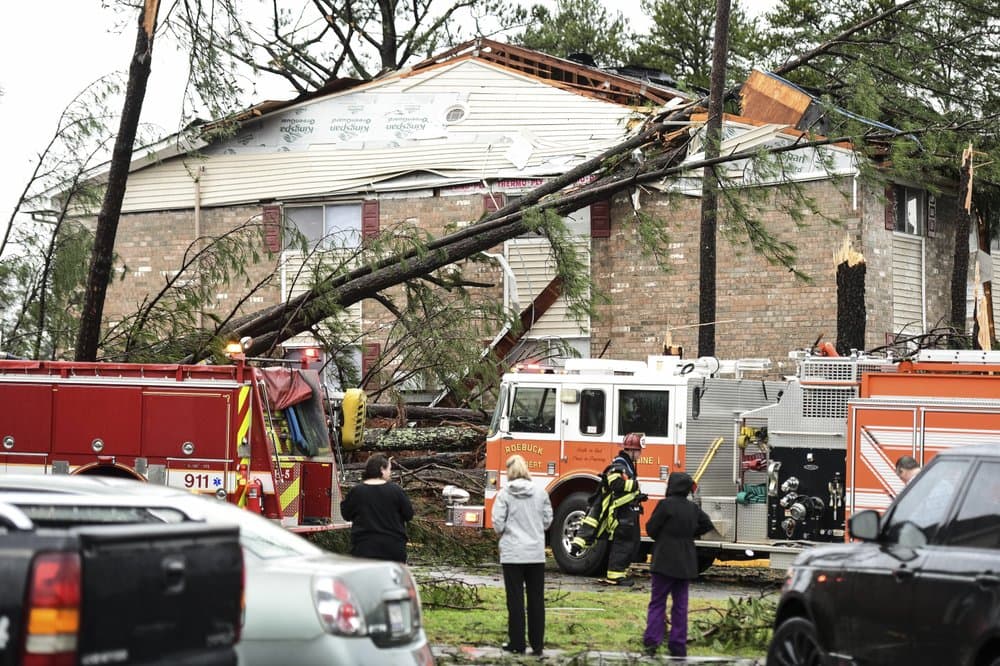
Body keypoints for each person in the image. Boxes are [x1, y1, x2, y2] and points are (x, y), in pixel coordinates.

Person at [642, 471, 715, 658]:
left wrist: (663, 536)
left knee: (657, 602)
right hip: (686, 562)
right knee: (680, 606)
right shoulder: (693, 508)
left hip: (664, 560)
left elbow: (651, 529)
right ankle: (678, 646)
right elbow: (707, 524)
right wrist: (691, 533)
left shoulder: (665, 505)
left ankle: (652, 642)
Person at [491, 454, 553, 657]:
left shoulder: (504, 494)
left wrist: (506, 533)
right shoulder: (541, 493)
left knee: (515, 601)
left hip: (512, 554)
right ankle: (537, 645)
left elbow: (497, 523)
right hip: (535, 554)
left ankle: (517, 642)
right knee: (536, 601)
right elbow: (547, 522)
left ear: (509, 471)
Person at [569, 432, 647, 585]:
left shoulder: (627, 464)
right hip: (620, 513)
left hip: (626, 510)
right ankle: (615, 576)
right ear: (631, 450)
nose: (640, 453)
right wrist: (634, 486)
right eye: (638, 450)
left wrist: (637, 496)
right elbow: (615, 484)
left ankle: (620, 573)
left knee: (630, 543)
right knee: (623, 542)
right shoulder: (619, 464)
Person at [340, 453, 414, 562]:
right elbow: (409, 514)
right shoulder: (396, 491)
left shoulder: (356, 491)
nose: (390, 473)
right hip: (393, 548)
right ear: (382, 469)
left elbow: (346, 515)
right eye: (389, 469)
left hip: (364, 548)